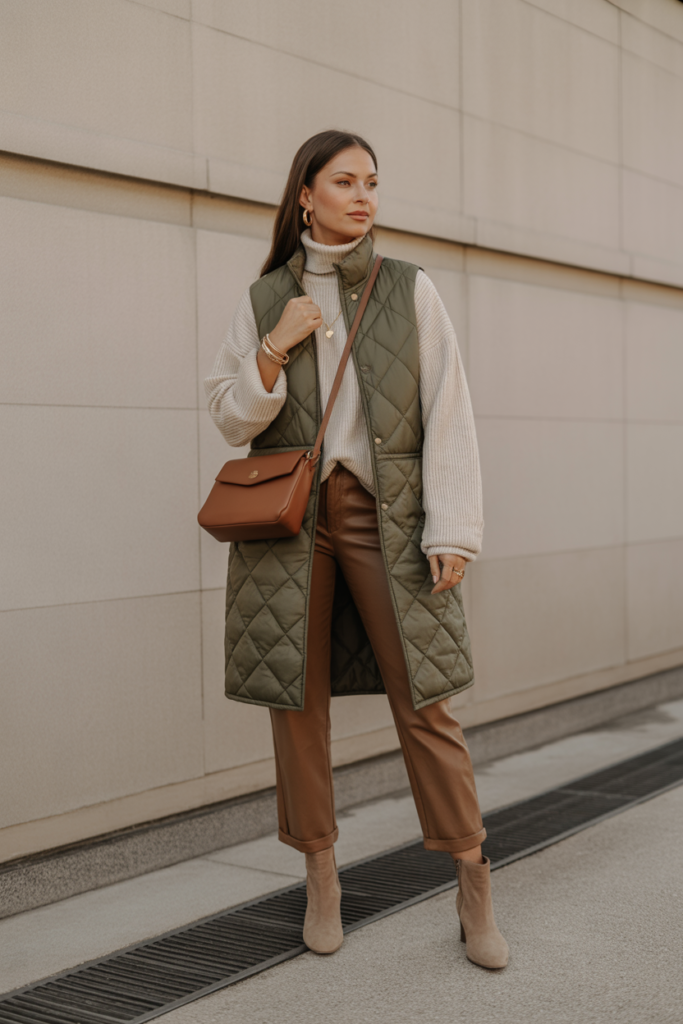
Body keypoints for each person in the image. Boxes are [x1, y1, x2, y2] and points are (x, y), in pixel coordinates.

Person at [205, 130, 508, 970]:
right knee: (294, 704)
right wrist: (276, 345)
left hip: (391, 513)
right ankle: (321, 876)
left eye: (372, 181)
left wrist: (452, 526)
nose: (363, 195)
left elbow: (449, 404)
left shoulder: (407, 288)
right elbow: (230, 417)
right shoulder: (267, 296)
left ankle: (472, 878)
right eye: (344, 181)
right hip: (293, 521)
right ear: (305, 194)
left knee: (427, 698)